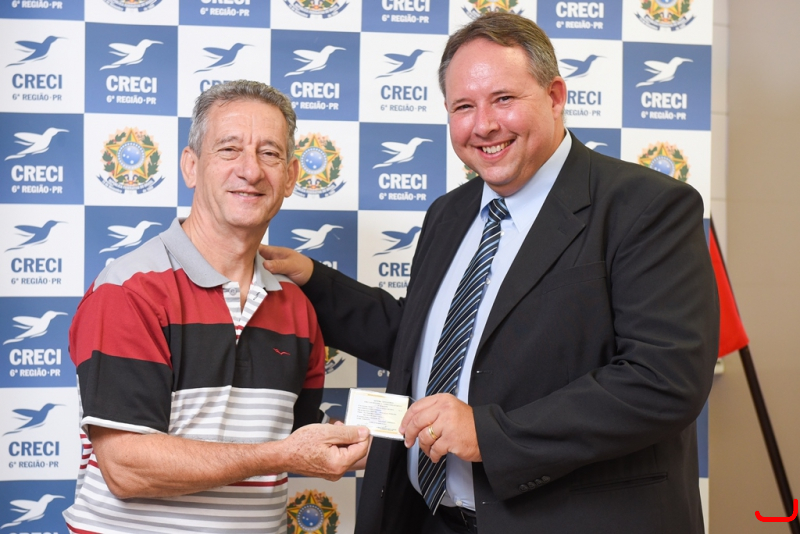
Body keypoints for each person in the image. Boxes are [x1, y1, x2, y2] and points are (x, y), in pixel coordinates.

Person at [261, 13, 719, 534]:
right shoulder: (449, 213)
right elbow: (425, 342)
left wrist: (491, 434)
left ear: (554, 96)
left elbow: (664, 380)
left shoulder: (647, 207)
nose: (483, 125)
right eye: (463, 106)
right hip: (431, 519)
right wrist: (313, 280)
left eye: (503, 99)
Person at [63, 81, 369, 534]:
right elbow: (127, 468)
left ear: (290, 176)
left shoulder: (297, 308)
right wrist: (280, 454)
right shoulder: (130, 290)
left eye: (269, 153)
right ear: (191, 166)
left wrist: (358, 440)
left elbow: (295, 436)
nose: (250, 170)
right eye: (229, 150)